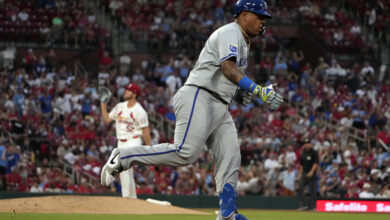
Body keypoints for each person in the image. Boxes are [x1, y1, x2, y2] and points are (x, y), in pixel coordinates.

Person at [100, 1, 283, 219]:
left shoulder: (243, 41)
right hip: (199, 95)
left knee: (231, 154)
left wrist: (241, 93)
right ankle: (123, 156)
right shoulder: (231, 32)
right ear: (244, 15)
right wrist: (257, 90)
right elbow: (227, 68)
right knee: (185, 152)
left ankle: (228, 214)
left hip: (218, 104)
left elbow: (225, 75)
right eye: (260, 16)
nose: (263, 22)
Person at [100, 83, 151, 198]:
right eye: (126, 89)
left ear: (134, 94)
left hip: (133, 141)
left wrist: (149, 148)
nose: (125, 92)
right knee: (127, 170)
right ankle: (132, 198)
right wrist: (103, 103)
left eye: (128, 90)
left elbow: (145, 130)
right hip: (121, 142)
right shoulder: (119, 106)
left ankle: (126, 198)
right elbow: (107, 120)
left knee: (123, 167)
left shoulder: (139, 110)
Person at [297, 139, 318, 211]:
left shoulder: (314, 152)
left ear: (310, 144)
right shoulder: (303, 153)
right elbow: (301, 165)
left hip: (312, 174)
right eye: (305, 143)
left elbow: (315, 163)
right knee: (300, 188)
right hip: (304, 173)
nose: (306, 145)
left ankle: (313, 206)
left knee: (312, 190)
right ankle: (302, 205)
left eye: (308, 143)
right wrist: (300, 174)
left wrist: (311, 172)